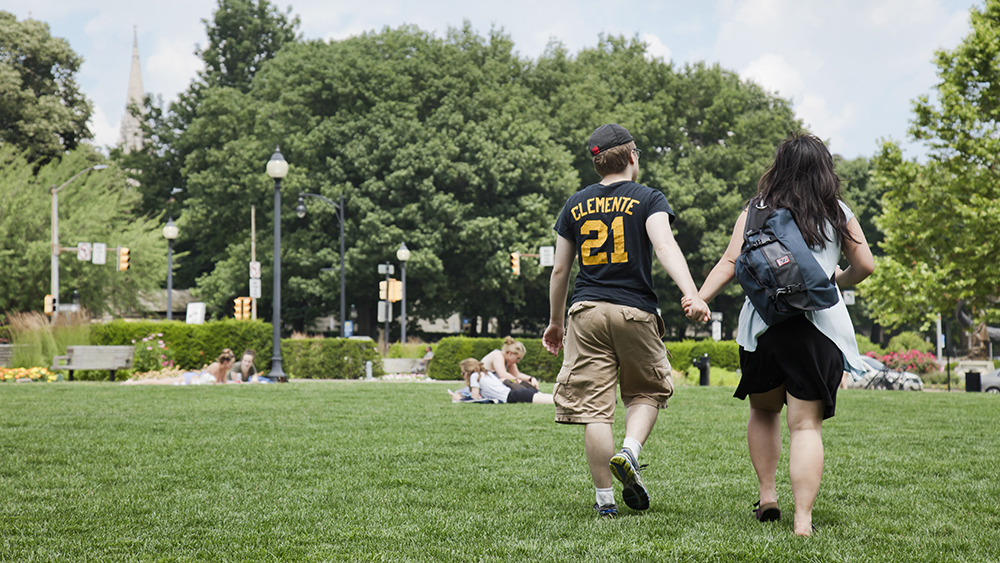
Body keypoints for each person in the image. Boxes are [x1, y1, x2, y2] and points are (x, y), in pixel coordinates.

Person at [688, 132, 874, 536]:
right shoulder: (837, 212)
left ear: (779, 167)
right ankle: (803, 521)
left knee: (764, 410)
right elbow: (866, 265)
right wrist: (838, 277)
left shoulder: (755, 210)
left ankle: (768, 496)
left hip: (764, 328)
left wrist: (699, 298)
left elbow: (729, 261)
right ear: (824, 170)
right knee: (805, 426)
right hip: (819, 328)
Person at [543, 123, 710, 518]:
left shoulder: (575, 204)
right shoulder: (647, 198)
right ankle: (630, 452)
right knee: (647, 391)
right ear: (633, 156)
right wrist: (692, 292)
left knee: (594, 410)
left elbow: (559, 271)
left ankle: (605, 502)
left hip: (585, 313)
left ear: (597, 162)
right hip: (634, 310)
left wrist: (555, 322)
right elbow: (664, 244)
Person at [449, 358, 554, 404]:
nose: (463, 377)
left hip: (514, 396)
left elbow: (475, 398)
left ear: (469, 372)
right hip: (519, 393)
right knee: (556, 399)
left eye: (463, 373)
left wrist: (459, 400)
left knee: (556, 401)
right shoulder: (486, 373)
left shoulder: (475, 376)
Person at [122, 349, 237, 385]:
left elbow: (223, 384)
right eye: (232, 362)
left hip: (192, 380)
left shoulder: (223, 370)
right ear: (226, 362)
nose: (233, 365)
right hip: (188, 379)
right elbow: (211, 382)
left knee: (160, 381)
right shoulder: (216, 367)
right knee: (159, 382)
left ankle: (133, 382)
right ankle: (132, 383)